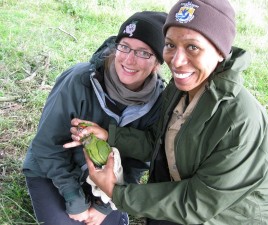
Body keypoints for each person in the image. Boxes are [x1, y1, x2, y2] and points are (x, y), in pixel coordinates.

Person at [67, 0, 268, 224]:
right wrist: (110, 135)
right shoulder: (180, 88)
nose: (177, 61)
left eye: (193, 47)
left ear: (220, 51)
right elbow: (158, 142)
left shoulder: (238, 122)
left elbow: (196, 204)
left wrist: (116, 192)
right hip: (186, 201)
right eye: (170, 45)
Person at [22, 11, 167, 225]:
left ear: (157, 62)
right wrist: (74, 198)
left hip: (108, 182)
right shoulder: (79, 80)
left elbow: (138, 163)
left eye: (143, 52)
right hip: (53, 171)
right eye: (124, 46)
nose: (129, 59)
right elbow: (46, 146)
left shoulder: (159, 102)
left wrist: (104, 206)